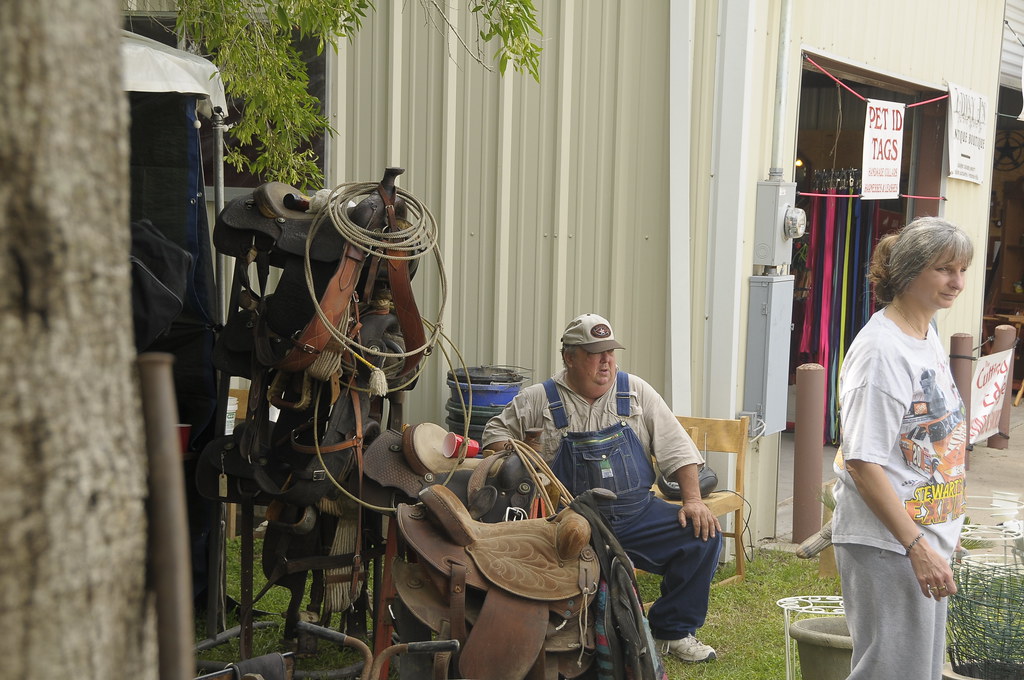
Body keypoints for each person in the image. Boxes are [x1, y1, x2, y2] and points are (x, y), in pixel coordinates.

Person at [482, 313, 723, 663]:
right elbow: (491, 437)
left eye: (611, 351)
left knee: (702, 536)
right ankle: (561, 632)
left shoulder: (635, 392)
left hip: (636, 516)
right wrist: (520, 451)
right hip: (568, 522)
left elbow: (678, 450)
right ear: (569, 357)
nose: (607, 361)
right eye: (596, 353)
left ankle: (671, 631)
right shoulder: (538, 400)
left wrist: (693, 501)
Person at [832, 216, 972, 680]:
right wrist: (916, 545)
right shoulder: (881, 352)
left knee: (916, 672)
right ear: (911, 272)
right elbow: (862, 461)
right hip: (890, 545)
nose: (958, 282)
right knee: (889, 672)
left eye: (962, 270)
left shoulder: (924, 334)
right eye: (944, 270)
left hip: (922, 539)